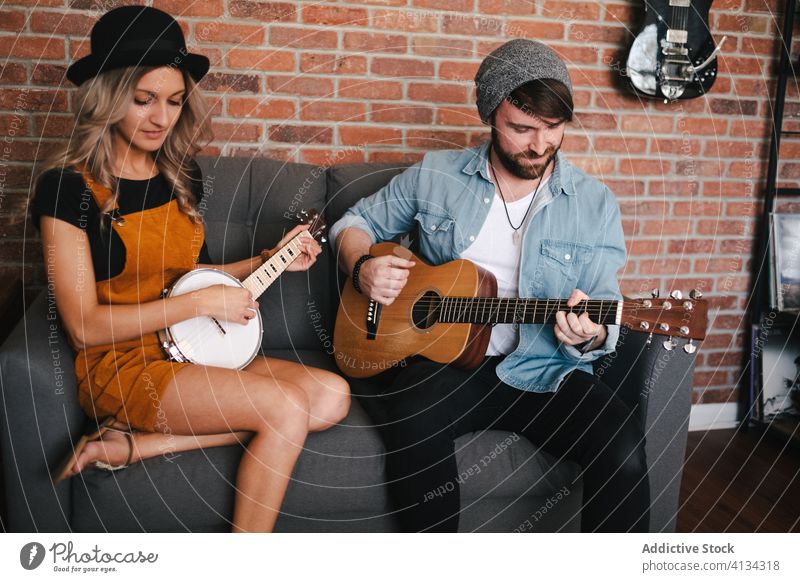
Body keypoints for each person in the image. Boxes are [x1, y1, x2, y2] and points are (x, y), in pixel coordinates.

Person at [31, 5, 350, 533]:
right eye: (144, 100)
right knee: (285, 409)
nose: (162, 118)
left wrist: (272, 260)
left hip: (195, 342)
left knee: (332, 394)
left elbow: (189, 279)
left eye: (175, 101)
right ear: (108, 97)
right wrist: (200, 304)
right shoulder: (68, 190)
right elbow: (83, 325)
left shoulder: (180, 176)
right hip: (123, 364)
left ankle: (140, 446)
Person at [329, 39, 649, 532]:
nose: (539, 145)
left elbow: (603, 312)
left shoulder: (595, 203)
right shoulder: (436, 174)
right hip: (448, 364)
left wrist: (589, 334)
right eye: (522, 129)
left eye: (553, 128)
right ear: (490, 116)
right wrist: (361, 267)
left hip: (545, 370)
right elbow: (355, 223)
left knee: (623, 446)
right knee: (411, 418)